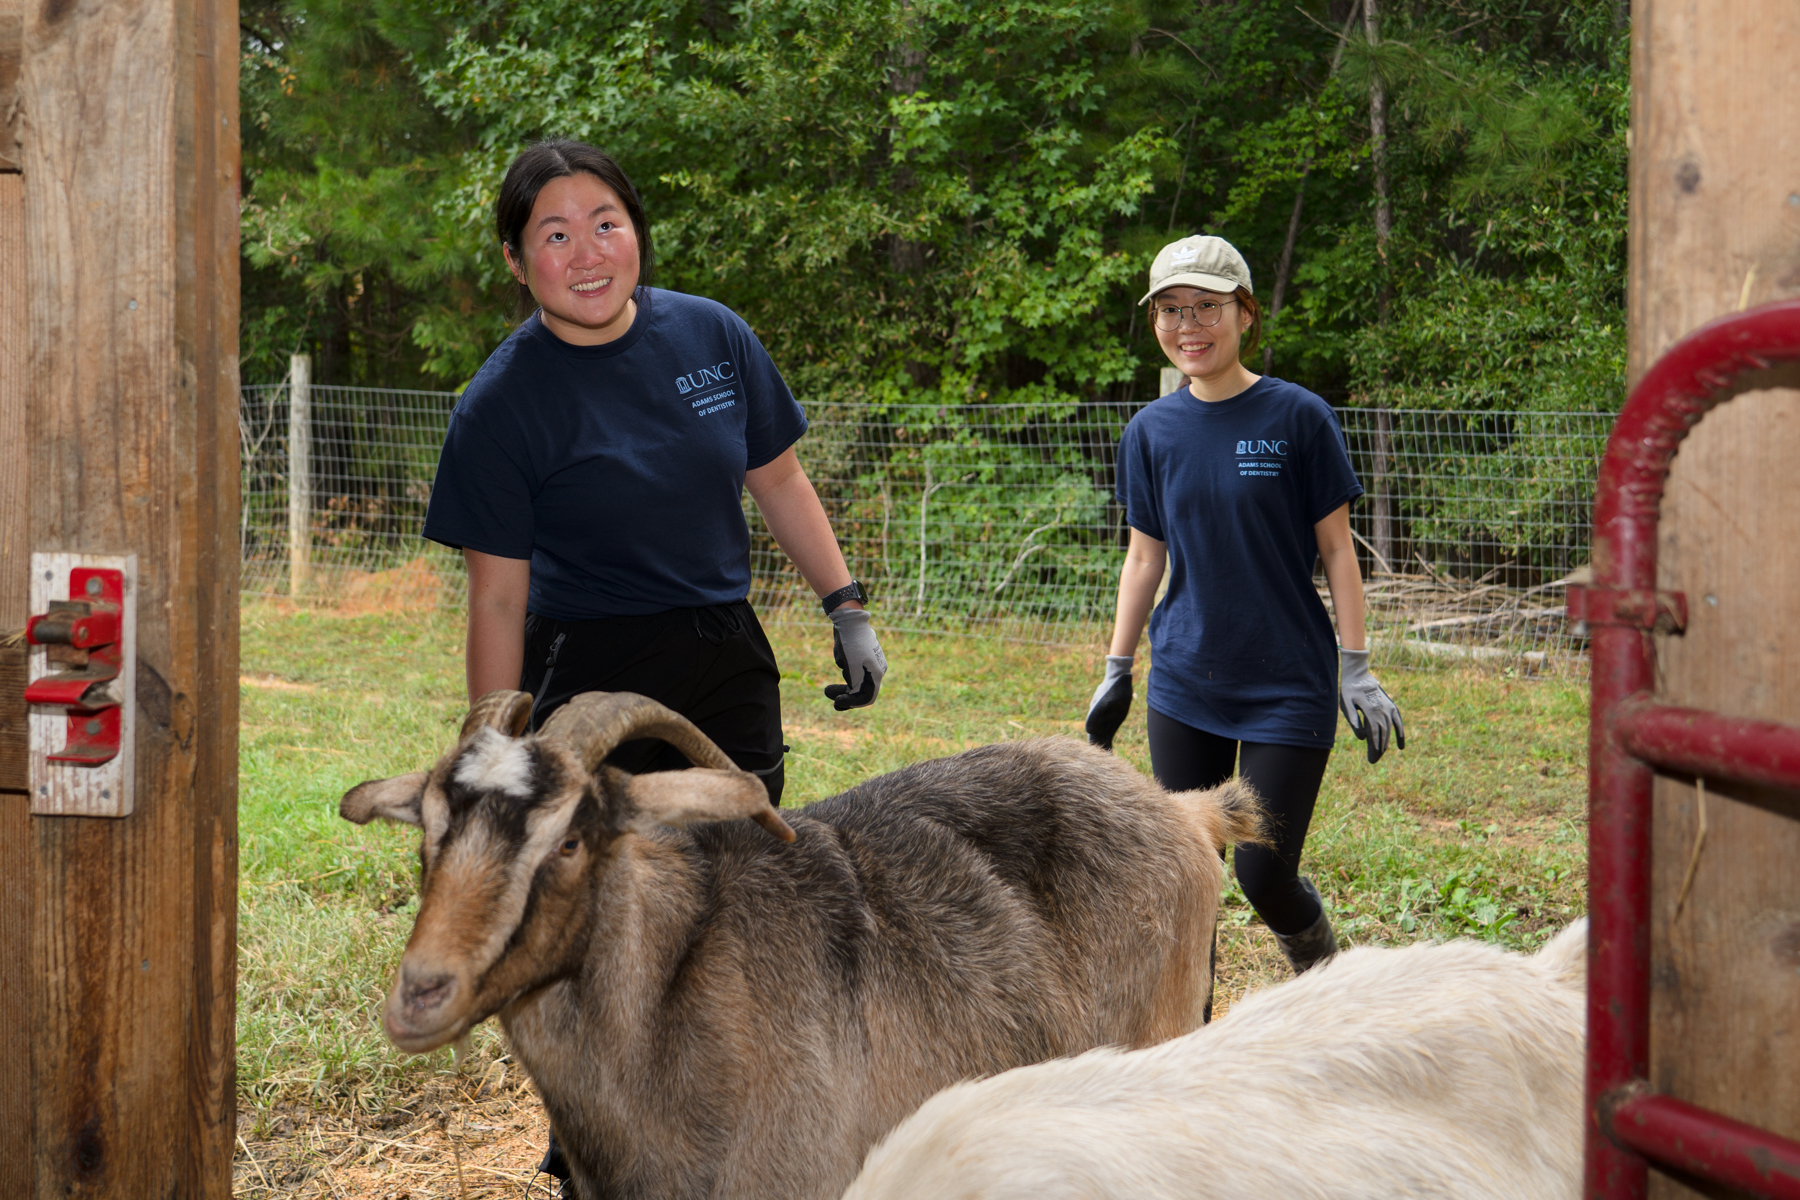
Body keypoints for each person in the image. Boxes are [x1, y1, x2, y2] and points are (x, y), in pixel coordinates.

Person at [422, 139, 886, 1198]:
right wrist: (494, 751)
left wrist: (844, 603)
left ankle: (735, 1101)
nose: (586, 252)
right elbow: (497, 595)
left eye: (606, 223)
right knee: (602, 914)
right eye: (553, 232)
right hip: (591, 675)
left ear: (637, 232)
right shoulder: (500, 406)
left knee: (746, 884)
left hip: (724, 653)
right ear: (515, 260)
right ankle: (585, 1144)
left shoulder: (712, 334)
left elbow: (776, 476)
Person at [1084, 234, 1402, 984]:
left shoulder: (1298, 416)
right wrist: (1117, 667)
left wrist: (1354, 670)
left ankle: (1330, 992)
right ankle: (1190, 1044)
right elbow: (1144, 557)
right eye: (1170, 310)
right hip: (1187, 683)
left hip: (1287, 685)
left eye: (1205, 308)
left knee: (1264, 876)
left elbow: (1337, 552)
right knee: (1188, 878)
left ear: (1245, 315)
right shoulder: (1151, 431)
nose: (1187, 325)